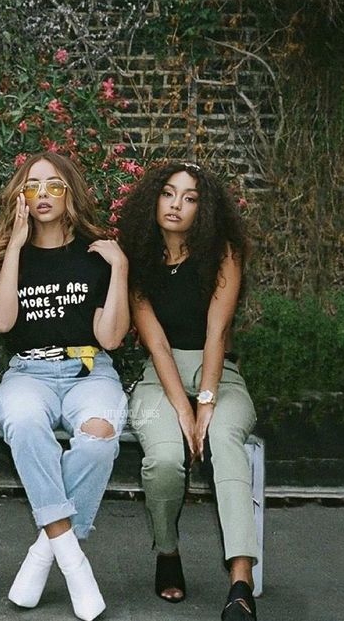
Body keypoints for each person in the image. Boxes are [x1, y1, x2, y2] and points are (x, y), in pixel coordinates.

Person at [0, 152, 129, 621]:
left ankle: (44, 552)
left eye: (54, 185)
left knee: (99, 438)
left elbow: (110, 337)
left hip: (90, 371)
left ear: (71, 193)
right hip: (29, 374)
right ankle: (74, 562)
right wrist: (17, 247)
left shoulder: (96, 255)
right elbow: (1, 321)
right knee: (23, 424)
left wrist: (120, 270)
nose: (43, 194)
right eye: (32, 186)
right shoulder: (8, 253)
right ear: (20, 197)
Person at [119, 161, 259, 620]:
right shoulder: (137, 257)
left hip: (218, 375)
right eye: (168, 193)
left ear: (204, 208)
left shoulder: (224, 254)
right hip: (160, 379)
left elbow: (217, 334)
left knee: (224, 441)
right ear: (153, 200)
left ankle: (240, 581)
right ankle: (167, 552)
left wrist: (206, 403)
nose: (176, 204)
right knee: (163, 458)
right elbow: (155, 341)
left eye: (190, 197)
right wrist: (182, 409)